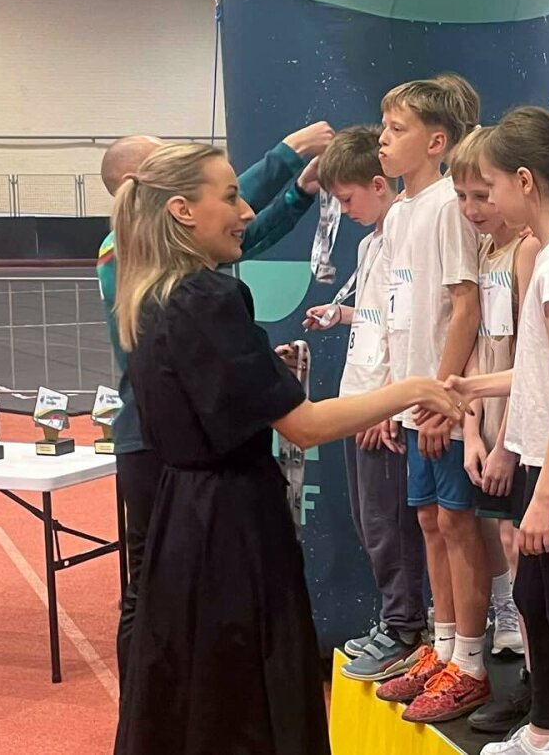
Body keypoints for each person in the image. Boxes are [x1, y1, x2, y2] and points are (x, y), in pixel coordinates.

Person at [110, 142, 464, 755]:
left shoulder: (147, 295)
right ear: (182, 211)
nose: (246, 212)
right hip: (231, 529)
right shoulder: (209, 297)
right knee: (246, 696)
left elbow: (206, 395)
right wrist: (411, 389)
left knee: (193, 687)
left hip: (183, 522)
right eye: (230, 197)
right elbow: (305, 426)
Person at [96, 121, 333, 684]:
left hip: (165, 442)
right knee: (151, 590)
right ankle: (146, 700)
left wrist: (299, 192)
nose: (239, 209)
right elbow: (225, 218)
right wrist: (286, 152)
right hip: (158, 445)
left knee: (177, 593)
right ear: (157, 194)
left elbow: (240, 232)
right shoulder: (129, 256)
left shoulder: (177, 278)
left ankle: (162, 704)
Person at [451, 109, 549, 755]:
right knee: (533, 598)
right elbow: (541, 372)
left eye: (491, 186)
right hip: (545, 459)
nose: (488, 200)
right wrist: (473, 387)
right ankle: (544, 732)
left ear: (524, 181)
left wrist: (544, 495)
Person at [371, 79, 492, 724]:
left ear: (437, 142)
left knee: (456, 522)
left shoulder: (449, 205)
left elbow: (465, 307)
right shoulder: (398, 213)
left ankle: (471, 661)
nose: (383, 140)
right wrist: (395, 398)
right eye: (383, 127)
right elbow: (399, 313)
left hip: (442, 398)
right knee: (427, 521)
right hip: (412, 396)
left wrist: (443, 397)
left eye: (397, 129)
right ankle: (442, 647)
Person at [299, 126, 429, 683]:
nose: (346, 211)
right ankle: (393, 620)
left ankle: (405, 628)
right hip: (362, 397)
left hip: (382, 405)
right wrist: (342, 315)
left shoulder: (408, 233)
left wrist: (386, 405)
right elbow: (379, 316)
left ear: (379, 185)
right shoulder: (370, 243)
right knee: (368, 520)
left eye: (348, 199)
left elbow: (411, 326)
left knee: (389, 523)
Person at [449, 127, 542, 734]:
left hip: (520, 426)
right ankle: (527, 664)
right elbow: (481, 346)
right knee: (499, 540)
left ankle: (537, 680)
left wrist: (506, 441)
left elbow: (531, 355)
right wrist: (474, 431)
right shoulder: (486, 251)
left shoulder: (529, 251)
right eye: (462, 197)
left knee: (520, 549)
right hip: (486, 421)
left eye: (482, 195)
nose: (472, 209)